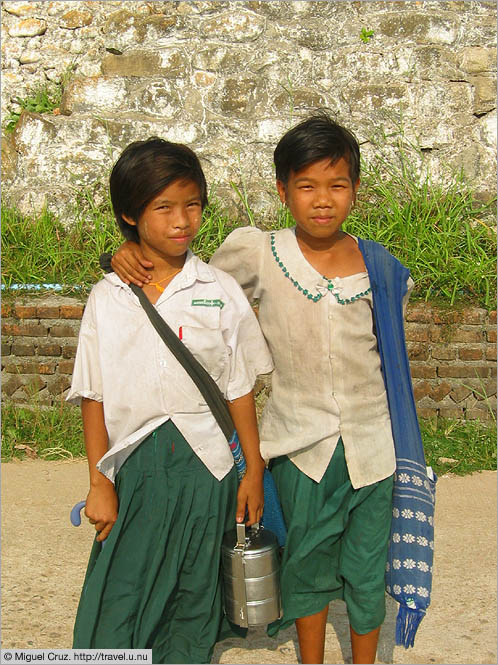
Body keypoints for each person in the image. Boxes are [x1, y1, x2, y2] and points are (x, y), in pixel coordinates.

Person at [109, 115, 426, 665]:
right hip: (300, 448)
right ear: (283, 191)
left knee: (367, 573)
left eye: (337, 185)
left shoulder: (378, 266)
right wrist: (128, 253)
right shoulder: (258, 252)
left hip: (375, 448)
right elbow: (191, 282)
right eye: (306, 186)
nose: (322, 201)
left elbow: (390, 357)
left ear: (356, 189)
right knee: (306, 567)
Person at [67, 137, 273, 664]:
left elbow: (240, 388)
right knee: (119, 600)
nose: (182, 220)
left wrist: (252, 470)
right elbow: (93, 395)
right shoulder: (107, 297)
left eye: (193, 205)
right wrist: (99, 483)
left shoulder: (219, 289)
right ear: (130, 215)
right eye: (164, 207)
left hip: (209, 471)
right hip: (136, 472)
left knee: (192, 601)